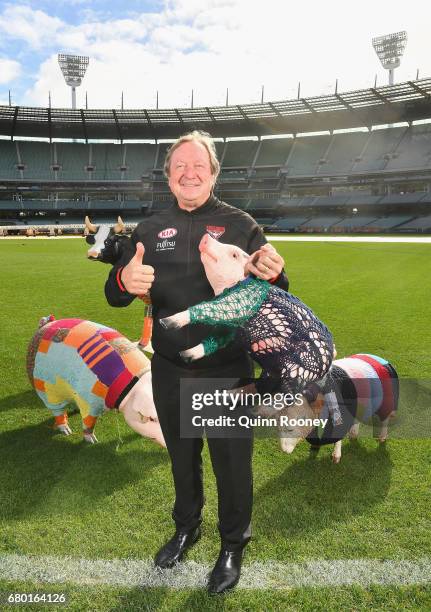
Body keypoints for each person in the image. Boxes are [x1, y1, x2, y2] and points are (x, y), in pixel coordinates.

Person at [104, 131, 289, 594]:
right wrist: (125, 278)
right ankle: (187, 528)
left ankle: (232, 545)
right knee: (182, 460)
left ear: (213, 173)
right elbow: (114, 292)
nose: (189, 173)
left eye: (198, 165)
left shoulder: (240, 224)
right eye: (180, 166)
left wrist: (275, 271)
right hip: (168, 368)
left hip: (225, 370)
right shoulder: (148, 229)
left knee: (231, 464)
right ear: (169, 177)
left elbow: (277, 291)